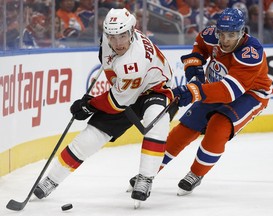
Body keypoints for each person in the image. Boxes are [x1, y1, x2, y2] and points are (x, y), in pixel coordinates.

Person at [33, 8, 175, 204]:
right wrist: (92, 102)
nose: (117, 43)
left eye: (122, 36)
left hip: (156, 90)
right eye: (112, 36)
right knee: (88, 138)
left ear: (132, 31)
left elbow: (117, 102)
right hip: (127, 90)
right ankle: (51, 179)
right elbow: (108, 65)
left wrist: (89, 105)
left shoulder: (133, 62)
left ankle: (145, 178)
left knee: (155, 124)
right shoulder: (111, 38)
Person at [129, 8, 272, 196]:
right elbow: (199, 46)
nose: (226, 39)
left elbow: (229, 91)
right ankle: (149, 172)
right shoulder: (211, 36)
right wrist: (194, 66)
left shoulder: (250, 53)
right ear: (217, 31)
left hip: (250, 95)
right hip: (215, 87)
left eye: (232, 34)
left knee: (218, 126)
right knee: (185, 129)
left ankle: (196, 173)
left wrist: (193, 90)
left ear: (242, 32)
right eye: (223, 34)